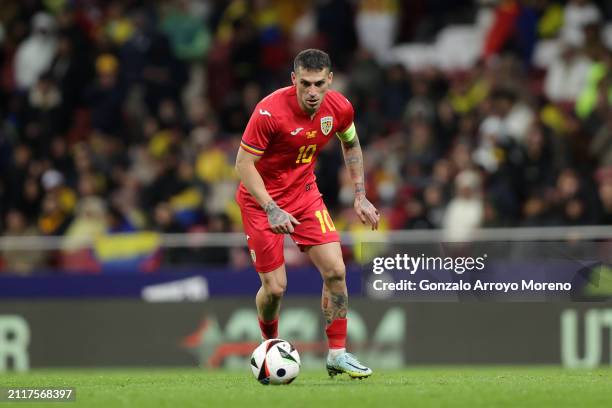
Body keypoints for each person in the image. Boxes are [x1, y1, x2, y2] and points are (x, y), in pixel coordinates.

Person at [235, 49, 380, 379]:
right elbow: (243, 164)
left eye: (318, 84)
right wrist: (271, 207)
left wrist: (360, 195)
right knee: (274, 288)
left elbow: (352, 143)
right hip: (261, 202)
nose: (312, 92)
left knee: (336, 271)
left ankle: (338, 355)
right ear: (293, 80)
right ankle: (270, 345)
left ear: (330, 80)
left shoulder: (339, 108)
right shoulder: (269, 112)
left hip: (304, 195)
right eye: (305, 84)